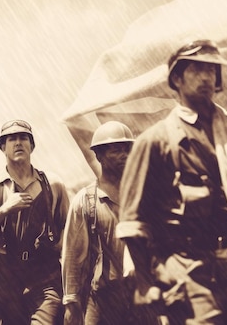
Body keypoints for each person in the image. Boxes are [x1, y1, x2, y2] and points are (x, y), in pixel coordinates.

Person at [115, 39, 227, 324]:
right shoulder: (155, 142)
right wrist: (146, 283)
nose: (206, 77)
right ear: (176, 78)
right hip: (188, 269)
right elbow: (132, 222)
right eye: (196, 69)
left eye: (212, 71)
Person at [0, 119, 70, 325]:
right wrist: (2, 211)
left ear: (32, 146)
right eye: (11, 139)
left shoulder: (53, 185)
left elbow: (70, 231)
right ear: (3, 147)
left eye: (23, 138)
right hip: (6, 277)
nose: (18, 143)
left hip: (45, 274)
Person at [62, 121, 153, 325]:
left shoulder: (144, 195)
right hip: (104, 298)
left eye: (127, 149)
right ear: (99, 155)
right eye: (115, 150)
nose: (124, 155)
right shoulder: (85, 201)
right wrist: (71, 302)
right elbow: (72, 256)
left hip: (143, 292)